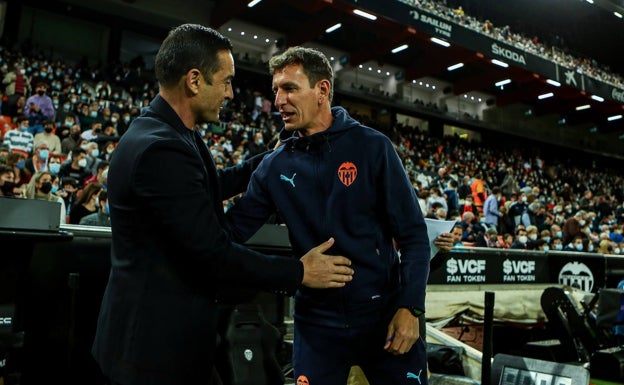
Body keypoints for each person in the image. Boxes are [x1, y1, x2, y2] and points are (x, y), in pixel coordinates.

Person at [91, 24, 354, 385]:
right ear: (195, 81)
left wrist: (269, 160)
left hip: (169, 340)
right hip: (153, 351)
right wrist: (300, 272)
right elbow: (213, 253)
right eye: (226, 81)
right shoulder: (161, 150)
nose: (231, 93)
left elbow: (204, 188)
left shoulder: (168, 133)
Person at [226, 46, 451, 385]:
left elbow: (414, 236)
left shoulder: (373, 147)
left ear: (322, 91)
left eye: (289, 88)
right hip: (316, 326)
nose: (279, 100)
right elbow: (229, 233)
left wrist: (412, 309)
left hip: (385, 320)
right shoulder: (273, 166)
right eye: (276, 90)